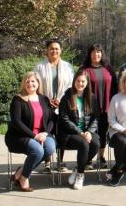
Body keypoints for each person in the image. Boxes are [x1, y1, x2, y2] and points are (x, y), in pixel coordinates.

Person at [5, 72, 56, 192]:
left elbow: (52, 119)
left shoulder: (44, 99)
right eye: (27, 81)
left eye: (33, 81)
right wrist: (34, 136)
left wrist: (45, 133)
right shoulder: (18, 100)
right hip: (20, 136)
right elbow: (17, 122)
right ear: (24, 84)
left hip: (41, 135)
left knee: (50, 148)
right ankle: (24, 178)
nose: (30, 84)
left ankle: (21, 171)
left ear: (38, 83)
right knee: (37, 150)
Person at [34, 38, 74, 172]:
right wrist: (47, 100)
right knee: (47, 131)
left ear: (61, 50)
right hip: (45, 105)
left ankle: (60, 162)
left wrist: (62, 100)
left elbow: (71, 86)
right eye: (51, 48)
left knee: (61, 132)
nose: (54, 51)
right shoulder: (39, 67)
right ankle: (47, 163)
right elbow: (36, 87)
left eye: (56, 48)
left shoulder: (68, 67)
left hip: (63, 105)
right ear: (46, 50)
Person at [58, 69, 100, 189]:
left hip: (87, 132)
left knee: (96, 143)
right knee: (84, 144)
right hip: (70, 134)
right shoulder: (66, 97)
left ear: (87, 83)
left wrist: (89, 131)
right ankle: (81, 175)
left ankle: (77, 168)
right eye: (78, 81)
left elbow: (96, 118)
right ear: (74, 81)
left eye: (83, 81)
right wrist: (80, 132)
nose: (80, 83)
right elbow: (64, 119)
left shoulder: (92, 98)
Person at [80, 44, 118, 168]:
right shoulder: (84, 69)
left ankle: (100, 157)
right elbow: (79, 88)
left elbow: (115, 88)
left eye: (98, 52)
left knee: (102, 133)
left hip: (106, 107)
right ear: (89, 54)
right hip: (89, 108)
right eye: (93, 52)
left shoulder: (108, 69)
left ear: (102, 54)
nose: (96, 54)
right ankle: (88, 159)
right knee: (90, 132)